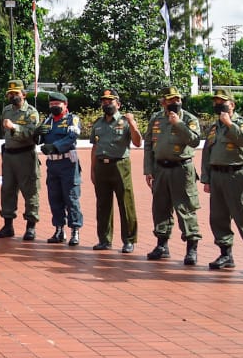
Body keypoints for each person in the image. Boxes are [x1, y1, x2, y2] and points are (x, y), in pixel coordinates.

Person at [200, 88, 243, 274]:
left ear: (232, 105)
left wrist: (229, 124)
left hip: (236, 175)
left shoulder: (241, 123)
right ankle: (226, 254)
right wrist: (206, 178)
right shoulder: (214, 127)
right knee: (218, 217)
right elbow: (207, 153)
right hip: (217, 176)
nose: (218, 105)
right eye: (216, 102)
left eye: (223, 102)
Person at [143, 86, 203, 265]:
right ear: (163, 102)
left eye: (177, 99)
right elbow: (148, 145)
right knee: (160, 208)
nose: (175, 102)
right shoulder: (156, 119)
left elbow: (194, 140)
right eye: (171, 100)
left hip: (181, 169)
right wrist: (148, 169)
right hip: (160, 169)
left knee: (185, 209)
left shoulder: (189, 119)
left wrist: (178, 123)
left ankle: (192, 248)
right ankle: (162, 245)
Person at [88, 89, 140, 253]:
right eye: (104, 101)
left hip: (120, 165)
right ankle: (104, 239)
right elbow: (94, 147)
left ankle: (129, 240)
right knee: (103, 205)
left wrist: (132, 124)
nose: (107, 104)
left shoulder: (125, 121)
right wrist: (92, 169)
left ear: (118, 104)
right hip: (101, 166)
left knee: (126, 203)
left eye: (110, 101)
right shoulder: (98, 123)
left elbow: (138, 142)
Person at [0, 81, 41, 241]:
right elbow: (4, 131)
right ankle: (8, 225)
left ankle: (30, 227)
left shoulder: (31, 112)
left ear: (24, 94)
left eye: (16, 93)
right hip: (9, 156)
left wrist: (15, 127)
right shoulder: (6, 110)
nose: (13, 96)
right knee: (7, 190)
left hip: (25, 156)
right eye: (10, 93)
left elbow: (32, 133)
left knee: (30, 191)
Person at [37, 92, 84, 246]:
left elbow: (72, 137)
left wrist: (55, 147)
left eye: (57, 104)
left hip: (68, 163)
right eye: (51, 104)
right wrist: (36, 134)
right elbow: (40, 138)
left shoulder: (72, 119)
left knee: (71, 198)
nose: (54, 106)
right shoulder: (48, 120)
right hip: (52, 165)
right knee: (54, 198)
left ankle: (75, 230)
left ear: (65, 104)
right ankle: (59, 230)